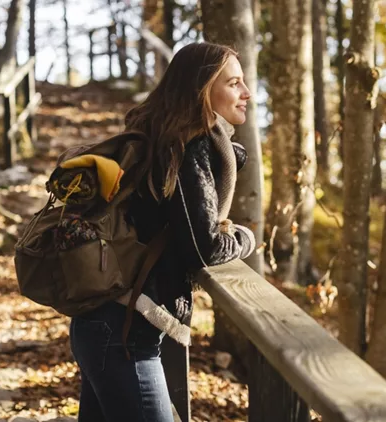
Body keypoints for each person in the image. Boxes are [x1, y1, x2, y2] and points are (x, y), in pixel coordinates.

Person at [69, 42, 257, 421]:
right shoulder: (188, 145)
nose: (246, 92)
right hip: (123, 334)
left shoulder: (164, 138)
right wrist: (246, 238)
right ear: (203, 89)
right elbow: (205, 247)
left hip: (106, 324)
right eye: (234, 83)